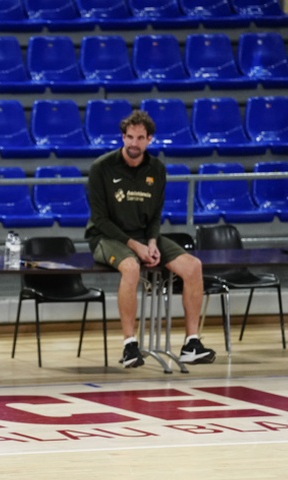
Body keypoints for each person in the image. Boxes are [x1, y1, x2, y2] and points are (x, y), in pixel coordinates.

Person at [85, 110, 216, 368]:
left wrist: (153, 242)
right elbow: (100, 220)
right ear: (122, 137)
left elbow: (156, 215)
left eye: (140, 138)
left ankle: (191, 343)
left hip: (145, 236)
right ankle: (129, 346)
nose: (134, 143)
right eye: (130, 137)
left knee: (193, 267)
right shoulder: (102, 168)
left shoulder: (157, 169)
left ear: (149, 140)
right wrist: (135, 246)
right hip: (106, 237)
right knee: (131, 267)